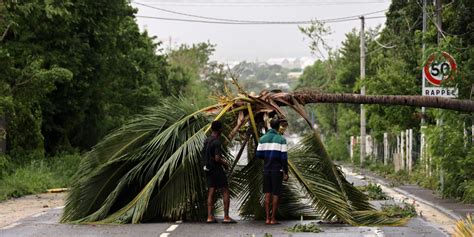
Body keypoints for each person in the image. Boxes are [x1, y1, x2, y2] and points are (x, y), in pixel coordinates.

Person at [256, 117, 289, 225]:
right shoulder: (281, 140)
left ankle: (267, 218)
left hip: (266, 169)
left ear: (270, 125)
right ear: (278, 126)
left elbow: (258, 155)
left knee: (267, 194)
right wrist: (286, 172)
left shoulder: (262, 138)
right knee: (276, 194)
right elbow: (284, 158)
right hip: (277, 170)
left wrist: (267, 157)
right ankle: (273, 219)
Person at [203, 120, 237, 224]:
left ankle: (209, 217)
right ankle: (226, 217)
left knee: (211, 191)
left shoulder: (207, 140)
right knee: (225, 190)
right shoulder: (216, 141)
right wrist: (225, 164)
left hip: (208, 169)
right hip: (217, 169)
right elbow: (217, 158)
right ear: (219, 130)